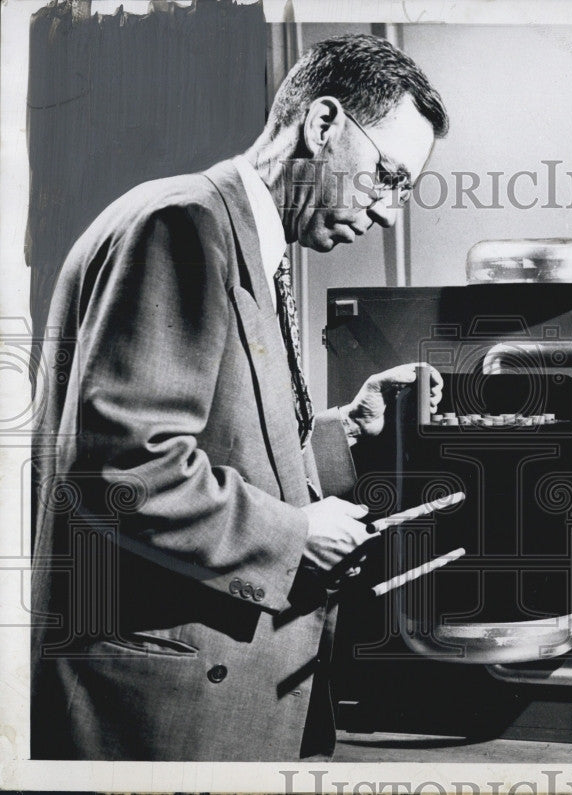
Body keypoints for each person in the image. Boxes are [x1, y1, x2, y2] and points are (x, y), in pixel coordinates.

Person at [30, 34, 448, 762]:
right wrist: (294, 536)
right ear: (321, 125)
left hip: (211, 700)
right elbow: (125, 470)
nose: (387, 213)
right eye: (386, 176)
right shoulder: (182, 228)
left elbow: (217, 441)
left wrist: (345, 432)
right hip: (156, 717)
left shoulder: (244, 238)